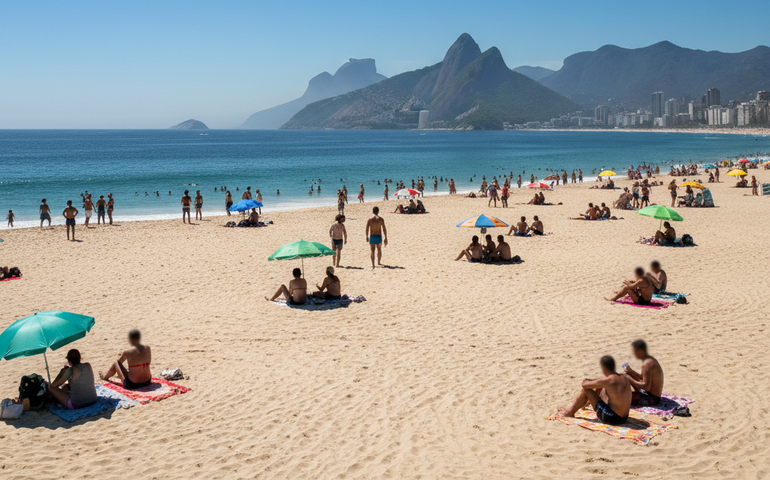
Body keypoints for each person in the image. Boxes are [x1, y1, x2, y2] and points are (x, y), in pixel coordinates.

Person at [558, 356, 631, 426]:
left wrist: (588, 380)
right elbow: (603, 383)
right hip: (624, 418)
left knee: (586, 390)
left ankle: (570, 412)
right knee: (601, 387)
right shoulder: (623, 378)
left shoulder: (608, 380)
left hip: (611, 418)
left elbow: (584, 385)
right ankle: (584, 404)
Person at [623, 340, 664, 407]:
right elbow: (643, 378)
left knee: (621, 397)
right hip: (654, 396)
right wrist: (631, 371)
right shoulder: (650, 360)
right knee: (628, 375)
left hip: (652, 399)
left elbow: (646, 387)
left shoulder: (646, 365)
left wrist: (629, 379)